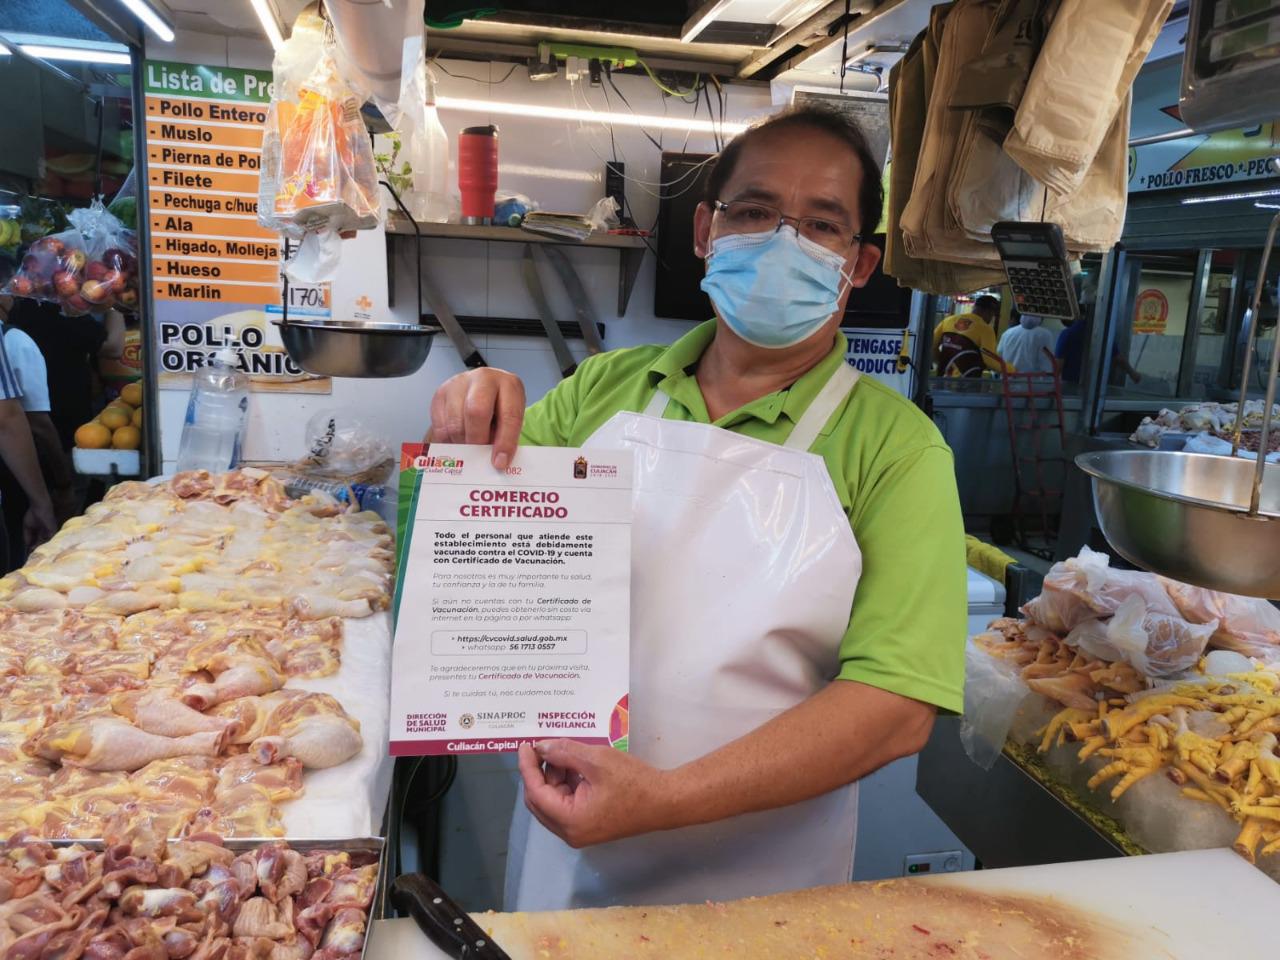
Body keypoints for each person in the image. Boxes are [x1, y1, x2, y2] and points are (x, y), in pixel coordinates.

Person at [426, 105, 966, 910]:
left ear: (859, 264)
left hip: (759, 883)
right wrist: (470, 420)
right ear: (706, 230)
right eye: (754, 213)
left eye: (821, 225)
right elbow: (474, 548)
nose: (784, 243)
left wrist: (666, 800)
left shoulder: (898, 449)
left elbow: (894, 709)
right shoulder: (601, 391)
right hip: (561, 847)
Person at [1056, 315, 1142, 385]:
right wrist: (1133, 374)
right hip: (1095, 387)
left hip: (1071, 385)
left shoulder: (1067, 334)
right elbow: (1118, 359)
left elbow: (1058, 364)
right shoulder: (1102, 334)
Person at [932, 294, 1003, 377]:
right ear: (989, 312)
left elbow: (931, 346)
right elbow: (990, 361)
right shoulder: (985, 329)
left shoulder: (948, 321)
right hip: (966, 383)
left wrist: (941, 361)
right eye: (992, 315)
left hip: (942, 380)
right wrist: (1011, 369)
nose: (991, 319)